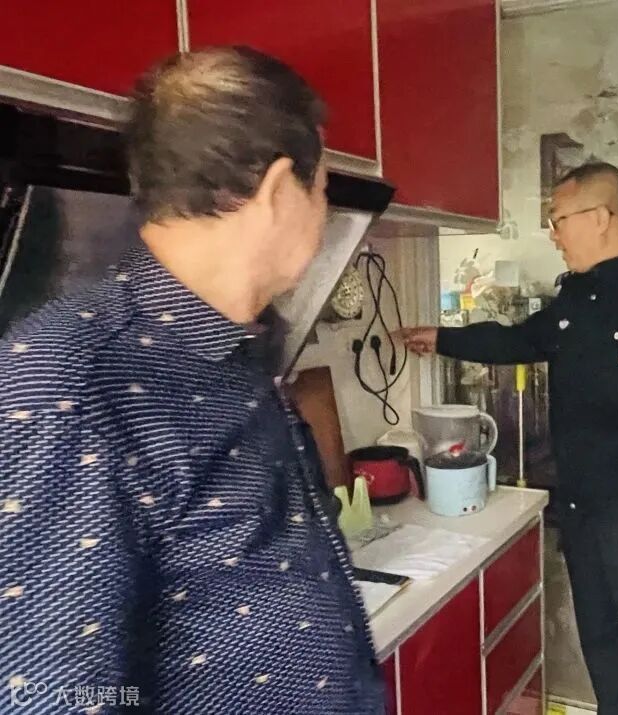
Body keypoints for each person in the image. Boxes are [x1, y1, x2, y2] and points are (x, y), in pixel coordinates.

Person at [0, 48, 384, 713]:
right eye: (322, 189)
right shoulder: (72, 382)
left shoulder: (238, 348)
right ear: (279, 189)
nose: (324, 215)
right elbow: (51, 692)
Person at [398, 162, 618, 714]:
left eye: (557, 220)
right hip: (583, 511)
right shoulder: (578, 296)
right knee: (608, 657)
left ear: (600, 217)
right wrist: (442, 338)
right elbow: (520, 341)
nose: (552, 235)